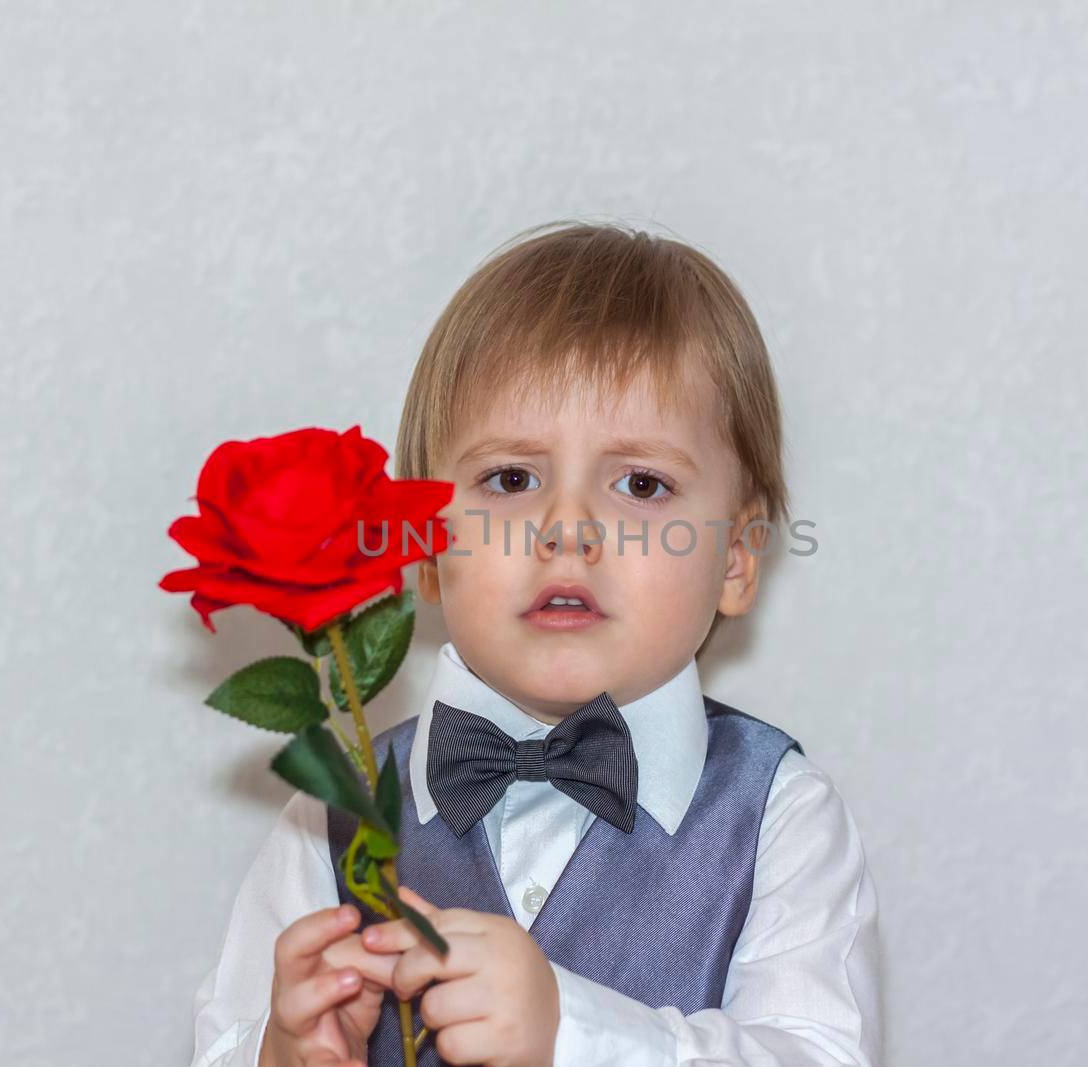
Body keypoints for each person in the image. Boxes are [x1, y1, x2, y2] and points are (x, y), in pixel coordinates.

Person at [191, 221, 883, 1067]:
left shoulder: (782, 815)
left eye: (641, 484)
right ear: (429, 546)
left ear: (736, 560)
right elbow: (219, 1043)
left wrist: (575, 1036)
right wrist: (282, 1053)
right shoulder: (332, 818)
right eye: (511, 479)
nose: (567, 529)